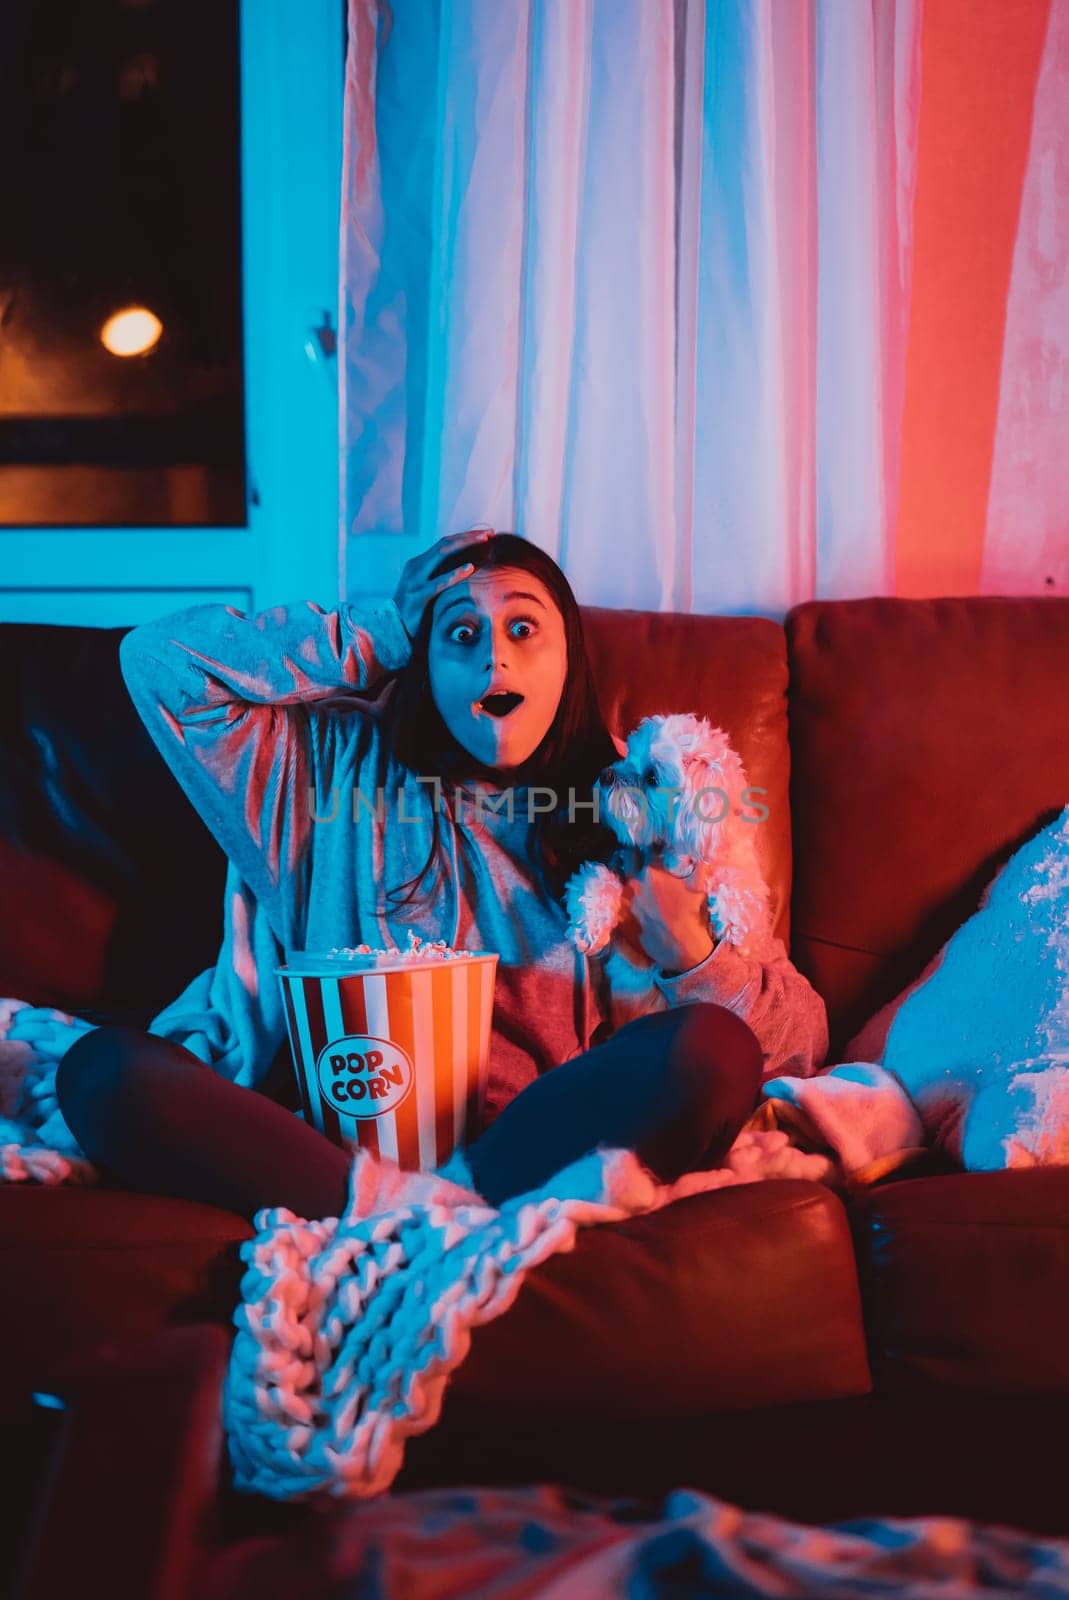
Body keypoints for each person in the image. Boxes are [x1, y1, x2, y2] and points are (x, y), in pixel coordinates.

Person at [48, 529, 828, 1217]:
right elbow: (159, 664)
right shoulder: (319, 780)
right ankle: (414, 1209)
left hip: (546, 1137)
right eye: (458, 633)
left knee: (711, 1049)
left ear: (569, 660)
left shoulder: (649, 811)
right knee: (102, 1072)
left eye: (524, 628)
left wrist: (691, 949)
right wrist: (381, 626)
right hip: (340, 1150)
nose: (494, 655)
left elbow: (793, 1049)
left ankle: (435, 1203)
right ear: (419, 658)